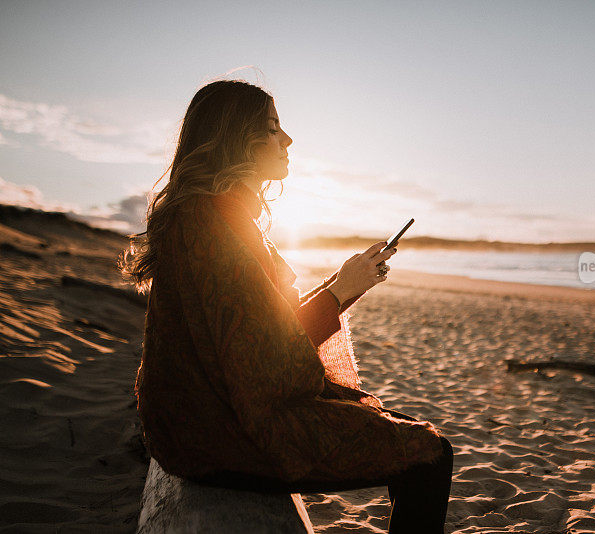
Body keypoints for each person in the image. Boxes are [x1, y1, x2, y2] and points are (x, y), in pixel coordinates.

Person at [120, 79, 453, 533]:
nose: (288, 139)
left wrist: (345, 284)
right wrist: (337, 294)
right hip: (219, 434)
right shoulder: (212, 224)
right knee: (430, 454)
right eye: (273, 127)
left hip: (199, 420)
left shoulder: (214, 214)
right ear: (236, 138)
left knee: (404, 431)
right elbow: (266, 358)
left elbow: (263, 329)